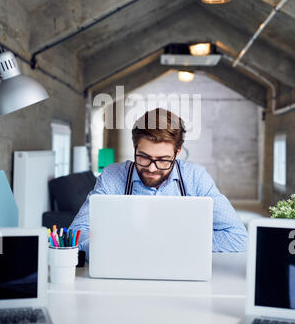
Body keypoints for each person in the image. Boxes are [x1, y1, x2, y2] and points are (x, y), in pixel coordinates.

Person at [70, 108, 247, 259]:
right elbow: (76, 233)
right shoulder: (112, 176)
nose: (152, 169)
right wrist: (118, 246)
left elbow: (238, 238)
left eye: (163, 160)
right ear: (134, 147)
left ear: (177, 153)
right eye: (144, 157)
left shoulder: (195, 177)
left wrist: (169, 243)